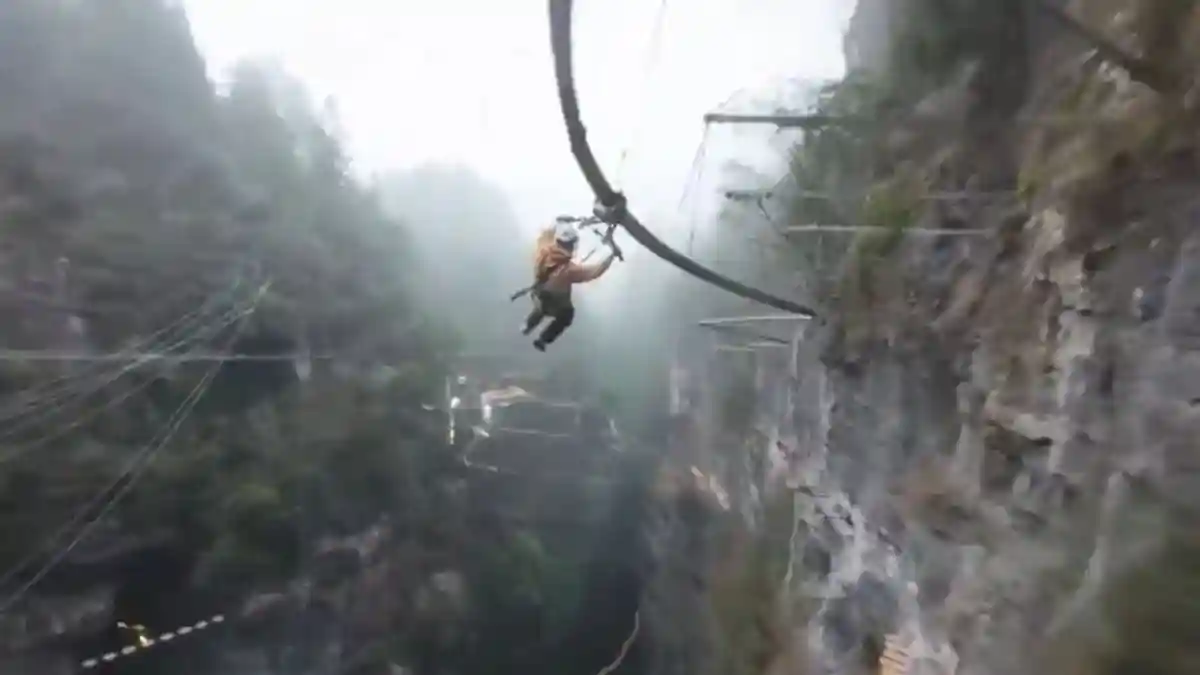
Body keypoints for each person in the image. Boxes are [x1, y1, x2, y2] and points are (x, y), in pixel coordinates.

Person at [519, 221, 617, 351]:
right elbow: (593, 272)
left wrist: (557, 223)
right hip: (555, 302)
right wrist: (610, 257)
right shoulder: (570, 270)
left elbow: (546, 236)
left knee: (541, 308)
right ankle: (543, 340)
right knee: (567, 315)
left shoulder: (544, 253)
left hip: (537, 295)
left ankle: (527, 325)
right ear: (571, 246)